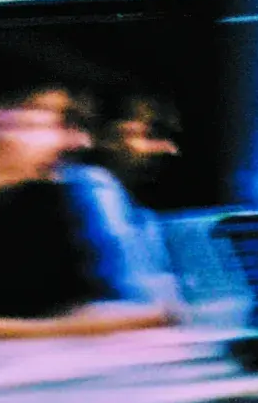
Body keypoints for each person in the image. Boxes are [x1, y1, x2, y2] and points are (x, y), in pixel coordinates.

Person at [0, 46, 176, 342]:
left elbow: (70, 306)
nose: (77, 141)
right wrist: (93, 327)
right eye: (56, 122)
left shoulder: (47, 201)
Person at [60, 90, 186, 314]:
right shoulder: (92, 185)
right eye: (150, 135)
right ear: (108, 137)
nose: (169, 149)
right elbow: (133, 289)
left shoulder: (134, 203)